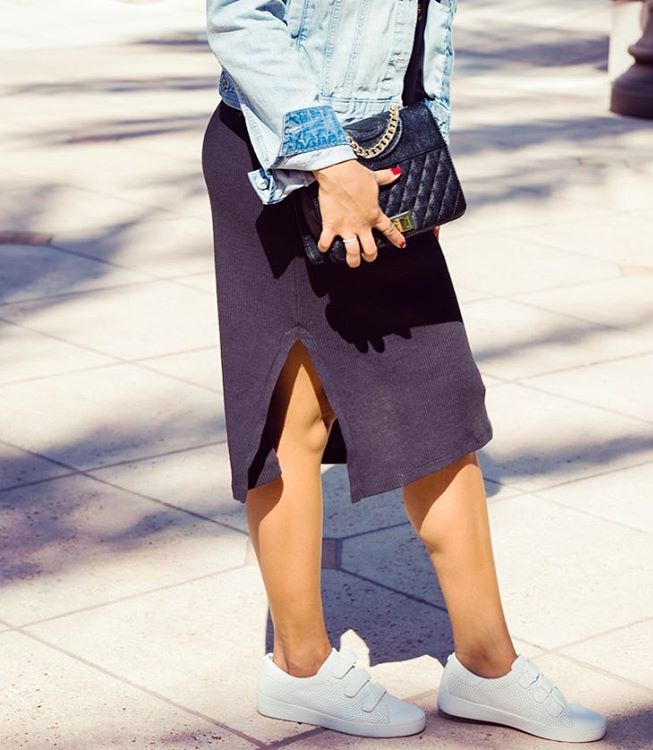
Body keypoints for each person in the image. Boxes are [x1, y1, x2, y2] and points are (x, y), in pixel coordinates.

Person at [201, 0, 607, 743]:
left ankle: (487, 667)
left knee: (439, 399)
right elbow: (240, 17)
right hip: (291, 172)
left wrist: (425, 145)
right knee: (295, 413)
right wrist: (329, 161)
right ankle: (299, 666)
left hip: (377, 163)